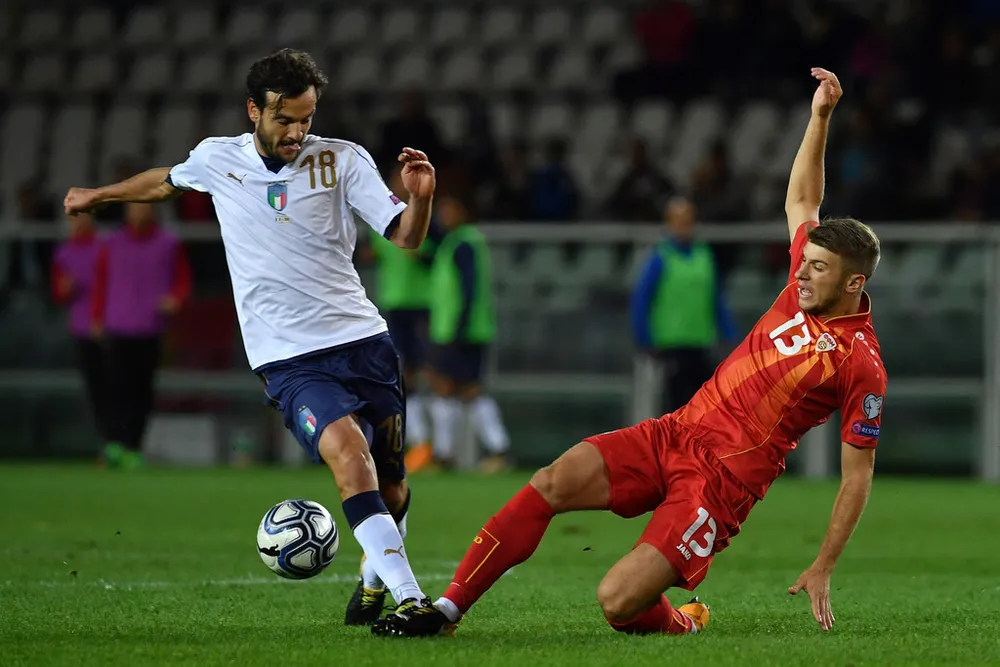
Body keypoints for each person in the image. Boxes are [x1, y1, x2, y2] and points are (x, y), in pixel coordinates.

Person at [373, 68, 886, 638]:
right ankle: (447, 611)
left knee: (616, 601)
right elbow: (802, 198)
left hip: (720, 484)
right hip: (674, 433)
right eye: (806, 261)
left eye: (819, 268)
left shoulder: (860, 362)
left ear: (854, 284)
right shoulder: (800, 284)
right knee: (551, 481)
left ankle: (684, 623)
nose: (804, 273)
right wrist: (819, 118)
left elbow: (857, 475)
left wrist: (824, 564)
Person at [63, 49, 438, 626]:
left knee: (392, 487)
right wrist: (99, 195)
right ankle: (413, 598)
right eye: (284, 119)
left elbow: (407, 238)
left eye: (306, 119)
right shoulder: (218, 160)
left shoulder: (343, 161)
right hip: (288, 358)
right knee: (347, 454)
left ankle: (372, 584)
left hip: (364, 342)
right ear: (253, 111)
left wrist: (422, 196)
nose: (297, 132)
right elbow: (165, 183)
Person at [90, 202, 192, 468]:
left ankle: (133, 446)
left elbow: (182, 280)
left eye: (143, 208)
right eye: (134, 208)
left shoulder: (168, 243)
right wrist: (97, 317)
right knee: (115, 388)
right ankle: (114, 442)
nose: (138, 213)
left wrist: (174, 299)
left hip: (149, 327)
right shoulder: (111, 243)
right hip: (117, 326)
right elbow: (101, 281)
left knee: (142, 392)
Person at [630, 196, 739, 413]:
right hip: (671, 345)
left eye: (687, 220)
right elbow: (641, 299)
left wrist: (729, 335)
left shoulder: (704, 255)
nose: (684, 226)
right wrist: (644, 338)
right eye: (678, 221)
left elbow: (716, 298)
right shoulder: (660, 257)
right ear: (669, 223)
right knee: (676, 408)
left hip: (700, 342)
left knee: (708, 406)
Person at [423, 196, 509, 472]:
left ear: (464, 212)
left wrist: (460, 325)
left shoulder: (463, 243)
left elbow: (469, 287)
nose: (443, 215)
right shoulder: (457, 243)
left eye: (450, 209)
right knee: (453, 389)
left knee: (460, 389)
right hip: (455, 328)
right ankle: (448, 453)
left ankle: (495, 451)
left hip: (459, 330)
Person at [367, 166, 437, 473]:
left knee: (424, 372)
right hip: (393, 304)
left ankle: (430, 443)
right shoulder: (379, 222)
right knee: (400, 372)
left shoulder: (420, 220)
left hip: (419, 303)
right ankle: (416, 442)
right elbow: (371, 254)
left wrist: (419, 254)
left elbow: (435, 255)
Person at [50, 211, 111, 453]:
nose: (77, 222)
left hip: (109, 327)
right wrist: (65, 289)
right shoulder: (63, 253)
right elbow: (58, 294)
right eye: (73, 218)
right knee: (95, 390)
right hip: (81, 328)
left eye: (81, 216)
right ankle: (105, 443)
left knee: (114, 388)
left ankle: (118, 442)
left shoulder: (104, 248)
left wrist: (101, 319)